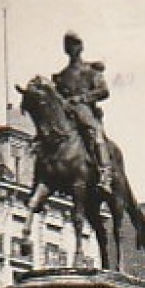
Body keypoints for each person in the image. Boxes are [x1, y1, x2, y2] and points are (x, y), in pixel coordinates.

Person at [53, 31, 113, 189]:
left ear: (80, 47)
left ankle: (105, 172)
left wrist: (82, 98)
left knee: (94, 131)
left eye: (74, 44)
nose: (71, 48)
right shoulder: (62, 76)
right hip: (67, 115)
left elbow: (104, 91)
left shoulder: (91, 71)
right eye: (68, 45)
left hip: (86, 112)